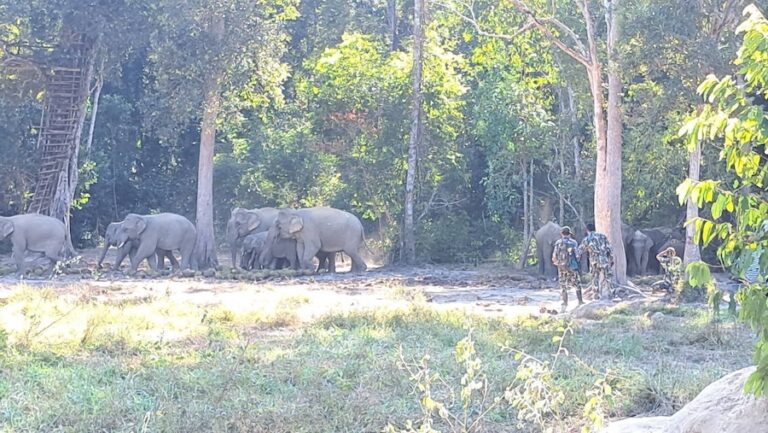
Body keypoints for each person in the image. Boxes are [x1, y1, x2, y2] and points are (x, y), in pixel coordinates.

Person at [578, 223, 614, 300]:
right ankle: (611, 295)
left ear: (587, 230)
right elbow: (609, 248)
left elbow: (580, 250)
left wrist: (577, 258)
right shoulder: (602, 236)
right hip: (604, 260)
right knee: (608, 278)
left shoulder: (587, 239)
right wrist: (611, 258)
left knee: (595, 278)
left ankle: (596, 296)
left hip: (594, 262)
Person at [551, 226, 583, 313]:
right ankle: (580, 301)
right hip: (572, 267)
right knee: (577, 284)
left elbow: (554, 256)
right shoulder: (574, 242)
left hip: (561, 267)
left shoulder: (558, 243)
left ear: (561, 234)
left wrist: (558, 264)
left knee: (563, 285)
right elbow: (577, 256)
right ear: (569, 234)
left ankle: (565, 303)